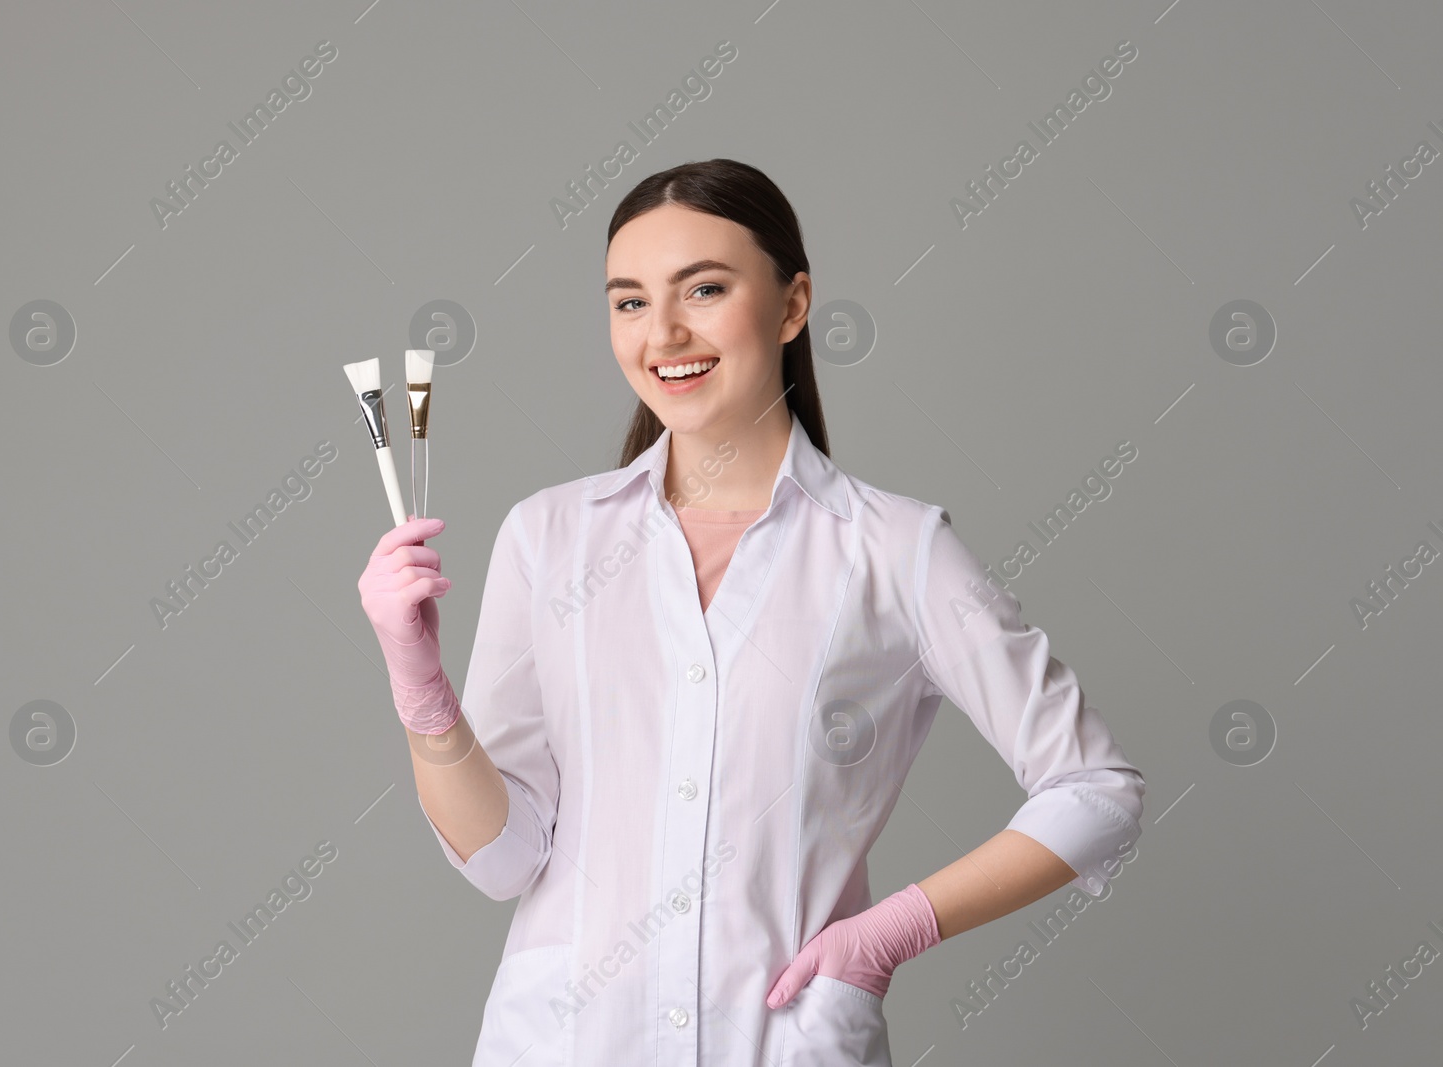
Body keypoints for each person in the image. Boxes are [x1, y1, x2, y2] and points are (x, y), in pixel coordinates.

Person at [358, 158, 1146, 1066]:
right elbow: (504, 858)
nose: (664, 333)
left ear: (793, 303)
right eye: (628, 301)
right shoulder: (549, 539)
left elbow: (1098, 792)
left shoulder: (894, 548)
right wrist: (421, 688)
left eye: (704, 288)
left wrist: (888, 932)